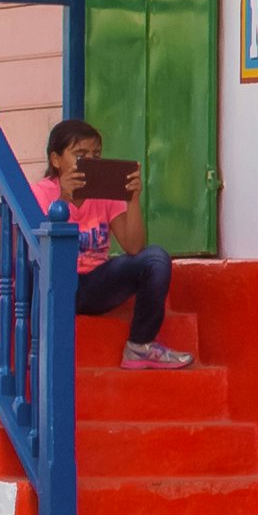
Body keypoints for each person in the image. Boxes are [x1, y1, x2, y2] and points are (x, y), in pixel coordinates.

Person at [38, 119, 172, 361]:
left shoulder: (105, 191)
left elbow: (133, 246)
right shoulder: (39, 192)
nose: (89, 161)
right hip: (54, 286)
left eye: (95, 155)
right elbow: (35, 248)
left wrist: (132, 199)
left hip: (95, 285)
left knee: (156, 258)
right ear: (56, 160)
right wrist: (64, 198)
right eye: (80, 154)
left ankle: (140, 346)